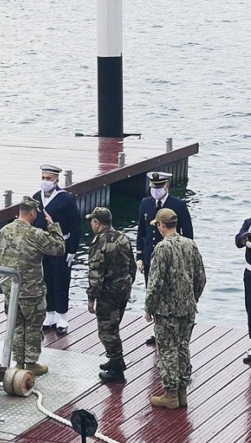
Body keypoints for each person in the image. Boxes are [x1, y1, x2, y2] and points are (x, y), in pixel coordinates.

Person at [0, 196, 65, 376]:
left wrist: (1, 282)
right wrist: (53, 226)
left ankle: (18, 362)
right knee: (32, 327)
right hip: (32, 292)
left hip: (11, 291)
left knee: (17, 326)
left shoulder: (4, 231)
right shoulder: (35, 234)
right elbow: (59, 248)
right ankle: (30, 363)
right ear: (32, 213)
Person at [145, 208, 206, 409]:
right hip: (188, 309)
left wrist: (149, 307)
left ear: (161, 225)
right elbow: (201, 278)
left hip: (166, 311)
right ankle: (182, 392)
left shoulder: (162, 248)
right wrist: (192, 298)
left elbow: (155, 282)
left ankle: (171, 394)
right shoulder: (190, 244)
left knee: (168, 350)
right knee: (182, 347)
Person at [136, 171, 194, 345]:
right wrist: (139, 255)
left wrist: (186, 257)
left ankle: (173, 326)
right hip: (150, 257)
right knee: (152, 290)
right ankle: (157, 329)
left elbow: (188, 234)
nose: (156, 190)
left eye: (159, 187)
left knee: (170, 292)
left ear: (166, 186)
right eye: (154, 187)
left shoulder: (178, 205)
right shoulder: (145, 203)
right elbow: (141, 231)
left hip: (171, 258)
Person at [85, 207, 137, 383]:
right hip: (123, 290)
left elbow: (96, 273)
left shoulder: (100, 243)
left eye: (92, 221)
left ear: (97, 223)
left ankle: (116, 369)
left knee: (107, 331)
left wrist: (91, 297)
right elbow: (132, 266)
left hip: (107, 293)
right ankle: (117, 361)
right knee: (114, 325)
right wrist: (127, 283)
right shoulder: (123, 238)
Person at [32, 164, 82, 335]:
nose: (45, 181)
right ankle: (50, 313)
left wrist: (72, 250)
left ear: (56, 180)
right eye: (43, 178)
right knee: (46, 279)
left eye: (48, 178)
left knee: (60, 280)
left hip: (61, 246)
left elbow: (75, 226)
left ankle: (62, 316)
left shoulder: (66, 199)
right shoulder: (36, 197)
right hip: (42, 247)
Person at [234, 218, 251, 364]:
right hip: (250, 273)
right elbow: (238, 241)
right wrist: (245, 238)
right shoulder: (249, 223)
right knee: (250, 309)